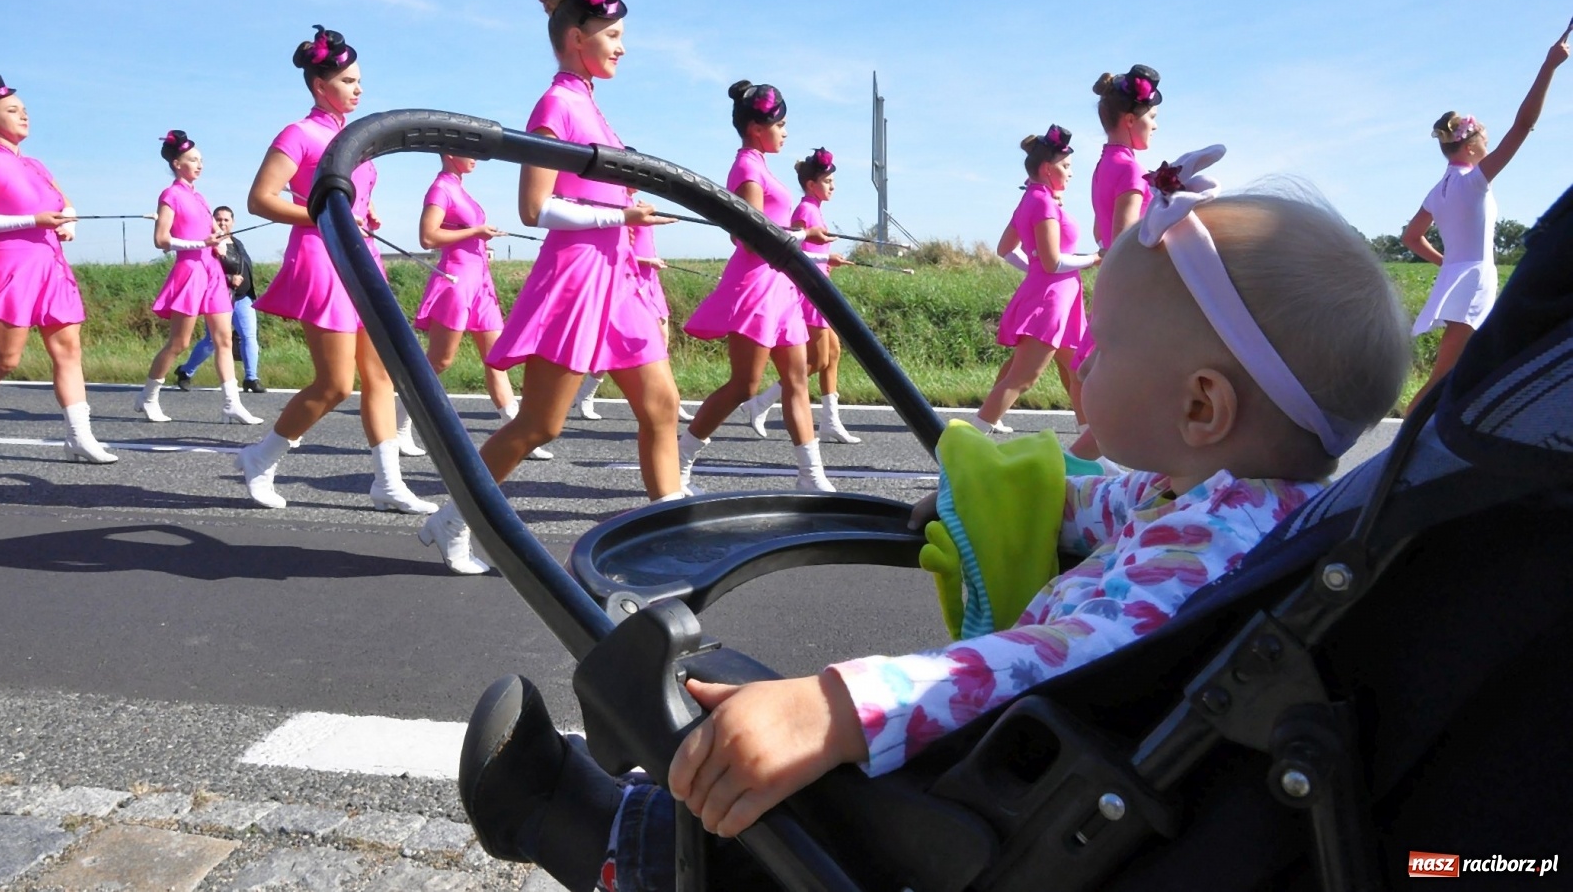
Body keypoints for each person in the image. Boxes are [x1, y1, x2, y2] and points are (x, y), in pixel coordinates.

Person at [452, 169, 1413, 892]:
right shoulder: (1223, 501)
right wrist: (972, 498)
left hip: (1012, 788)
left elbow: (1055, 658)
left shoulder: (1199, 556)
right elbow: (1095, 501)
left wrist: (841, 708)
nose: (1082, 357)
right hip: (1041, 762)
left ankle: (611, 839)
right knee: (767, 713)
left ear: (1202, 405)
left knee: (783, 739)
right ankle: (650, 803)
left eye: (1106, 341)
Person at [418, 0, 684, 574]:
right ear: (575, 38)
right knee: (540, 423)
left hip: (619, 278)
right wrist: (619, 215)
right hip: (577, 278)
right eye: (612, 35)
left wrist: (631, 219)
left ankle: (670, 539)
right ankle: (452, 517)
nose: (622, 47)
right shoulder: (557, 103)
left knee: (662, 407)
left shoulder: (590, 103)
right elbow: (534, 208)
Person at [235, 26, 436, 516]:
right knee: (335, 383)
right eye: (348, 81)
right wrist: (326, 213)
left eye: (359, 80)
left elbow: (353, 194)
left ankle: (388, 483)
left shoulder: (351, 138)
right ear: (320, 86)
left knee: (381, 375)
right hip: (321, 256)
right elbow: (260, 199)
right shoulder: (299, 134)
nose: (358, 88)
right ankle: (261, 457)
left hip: (361, 255)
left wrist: (365, 212)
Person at [1401, 23, 1570, 414]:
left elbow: (1411, 237)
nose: (1488, 144)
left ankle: (1437, 429)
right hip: (1475, 280)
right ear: (1471, 146)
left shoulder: (1440, 189)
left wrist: (1447, 264)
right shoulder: (1473, 181)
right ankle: (1406, 439)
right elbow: (1524, 126)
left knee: (1458, 370)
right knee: (1444, 375)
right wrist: (1549, 67)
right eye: (1484, 140)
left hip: (1459, 277)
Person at [678, 82, 838, 492]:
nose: (785, 132)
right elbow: (749, 238)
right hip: (757, 285)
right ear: (756, 128)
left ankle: (812, 476)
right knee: (744, 385)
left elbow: (771, 229)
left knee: (797, 380)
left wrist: (800, 236)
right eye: (780, 125)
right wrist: (803, 235)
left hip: (780, 286)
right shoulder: (748, 169)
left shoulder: (762, 166)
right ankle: (679, 462)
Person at [0, 73, 115, 464]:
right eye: (12, 110)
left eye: (24, 110)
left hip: (51, 264)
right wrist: (33, 221)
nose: (24, 115)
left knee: (68, 350)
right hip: (10, 265)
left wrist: (68, 221)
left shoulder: (35, 165)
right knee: (5, 359)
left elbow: (64, 203)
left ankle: (79, 436)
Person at [408, 153, 551, 461]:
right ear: (450, 154)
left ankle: (518, 436)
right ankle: (399, 425)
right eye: (468, 152)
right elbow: (427, 237)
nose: (475, 158)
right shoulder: (441, 189)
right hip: (456, 281)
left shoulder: (460, 189)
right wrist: (475, 232)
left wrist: (481, 235)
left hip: (481, 284)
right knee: (441, 360)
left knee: (496, 359)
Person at [1065, 64, 1165, 455]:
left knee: (1120, 379)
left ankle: (1083, 462)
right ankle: (1076, 463)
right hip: (1132, 285)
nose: (1155, 125)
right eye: (1152, 117)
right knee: (1146, 381)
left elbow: (1100, 231)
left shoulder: (1105, 164)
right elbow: (1126, 238)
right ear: (1130, 120)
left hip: (1112, 283)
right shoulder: (1131, 170)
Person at [973, 126, 1099, 433]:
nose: (1071, 173)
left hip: (1061, 299)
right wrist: (1095, 258)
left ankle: (1092, 450)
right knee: (1023, 378)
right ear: (1047, 168)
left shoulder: (1034, 199)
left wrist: (1035, 270)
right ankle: (962, 445)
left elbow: (1006, 250)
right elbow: (1053, 261)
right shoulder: (1043, 203)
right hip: (1051, 300)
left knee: (1078, 372)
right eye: (1065, 166)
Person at [137, 133, 261, 426]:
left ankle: (232, 404)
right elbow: (161, 240)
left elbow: (212, 233)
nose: (200, 164)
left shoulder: (200, 197)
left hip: (213, 272)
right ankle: (148, 397)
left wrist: (218, 241)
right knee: (178, 343)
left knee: (224, 339)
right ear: (177, 164)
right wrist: (201, 243)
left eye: (201, 160)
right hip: (190, 271)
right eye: (193, 159)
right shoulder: (170, 195)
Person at [739, 147, 860, 443]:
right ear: (811, 184)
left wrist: (828, 261)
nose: (832, 187)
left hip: (821, 288)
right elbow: (793, 251)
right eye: (827, 182)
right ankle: (761, 403)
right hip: (809, 292)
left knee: (832, 354)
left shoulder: (815, 209)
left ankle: (830, 421)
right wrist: (826, 259)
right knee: (817, 359)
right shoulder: (805, 211)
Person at [567, 215, 694, 423]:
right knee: (616, 346)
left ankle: (672, 402)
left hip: (650, 280)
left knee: (662, 342)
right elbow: (617, 251)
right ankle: (586, 394)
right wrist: (646, 261)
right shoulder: (622, 212)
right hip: (630, 280)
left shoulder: (639, 208)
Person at [173, 205, 265, 394]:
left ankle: (251, 378)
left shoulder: (237, 242)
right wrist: (229, 279)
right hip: (219, 298)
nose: (222, 223)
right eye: (218, 219)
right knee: (211, 341)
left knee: (249, 337)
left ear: (233, 222)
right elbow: (205, 271)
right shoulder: (208, 244)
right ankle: (186, 371)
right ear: (212, 222)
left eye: (226, 219)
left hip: (243, 297)